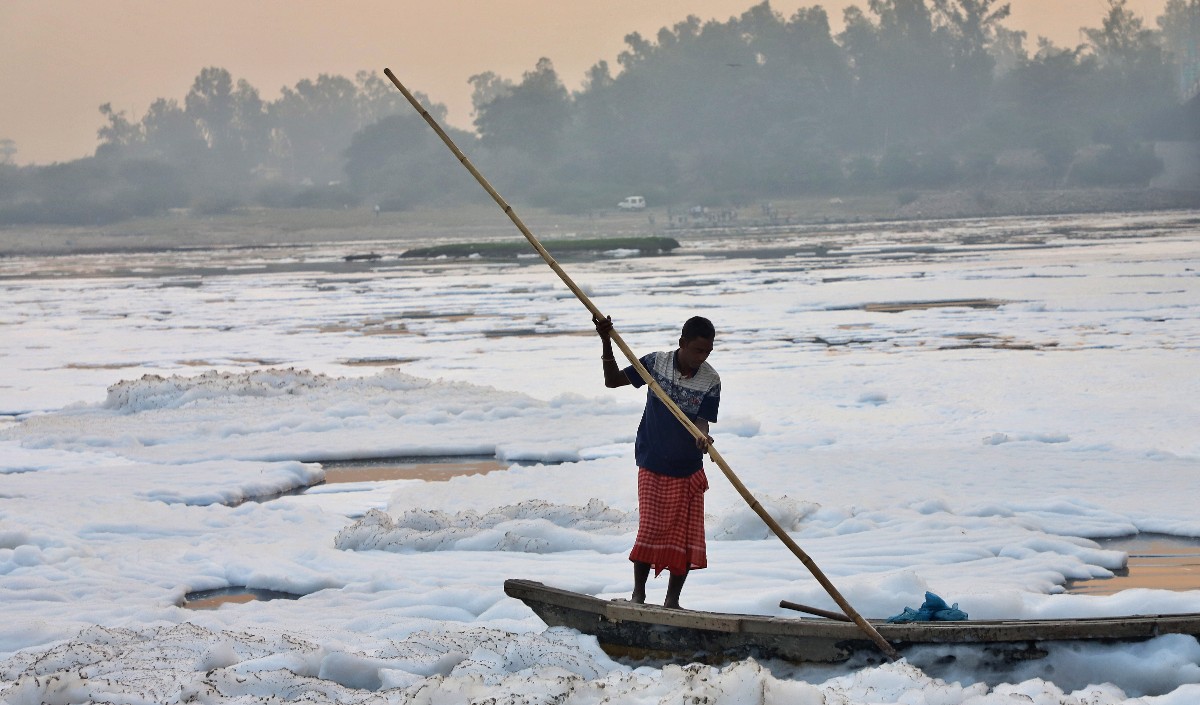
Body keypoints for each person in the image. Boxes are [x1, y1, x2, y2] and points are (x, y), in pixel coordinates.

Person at [593, 314, 720, 608]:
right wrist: (605, 339)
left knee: (687, 538)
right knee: (650, 529)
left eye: (708, 352)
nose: (701, 358)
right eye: (697, 351)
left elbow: (702, 422)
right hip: (652, 461)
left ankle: (672, 603)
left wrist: (703, 438)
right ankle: (639, 595)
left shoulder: (711, 380)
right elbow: (612, 382)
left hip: (688, 468)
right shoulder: (655, 364)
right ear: (682, 343)